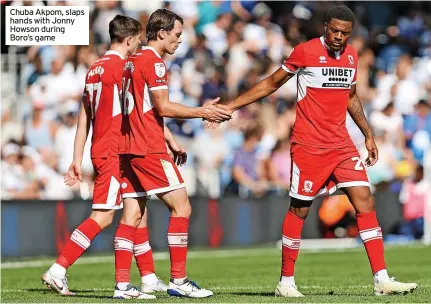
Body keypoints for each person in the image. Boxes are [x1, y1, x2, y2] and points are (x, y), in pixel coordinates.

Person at [218, 5, 417, 297]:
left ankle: (382, 279)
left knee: (364, 200)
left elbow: (350, 97)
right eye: (334, 30)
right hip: (309, 146)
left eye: (344, 33)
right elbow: (272, 83)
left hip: (341, 144)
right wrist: (232, 107)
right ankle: (285, 283)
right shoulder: (305, 52)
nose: (338, 36)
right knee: (299, 210)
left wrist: (368, 134)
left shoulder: (351, 56)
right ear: (325, 27)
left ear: (351, 34)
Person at [42, 15, 183, 299]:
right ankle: (58, 269)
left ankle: (149, 276)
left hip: (102, 147)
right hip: (114, 149)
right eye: (136, 42)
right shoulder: (122, 67)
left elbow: (84, 116)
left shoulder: (94, 69)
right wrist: (168, 137)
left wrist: (76, 157)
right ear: (130, 39)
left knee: (137, 212)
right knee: (104, 217)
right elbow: (138, 109)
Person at [117, 9, 231, 299]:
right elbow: (163, 107)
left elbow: (143, 108)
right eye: (178, 34)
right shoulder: (154, 63)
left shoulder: (130, 62)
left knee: (133, 214)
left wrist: (170, 138)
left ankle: (125, 285)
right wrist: (203, 111)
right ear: (162, 33)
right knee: (182, 208)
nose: (180, 40)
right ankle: (179, 281)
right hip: (147, 148)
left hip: (129, 147)